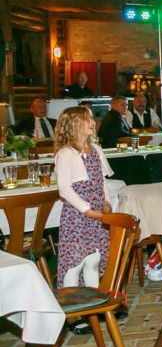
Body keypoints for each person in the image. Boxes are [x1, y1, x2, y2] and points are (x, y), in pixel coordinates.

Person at [53, 106, 114, 288]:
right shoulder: (66, 153)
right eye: (87, 119)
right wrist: (86, 210)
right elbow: (64, 189)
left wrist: (107, 201)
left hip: (97, 215)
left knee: (93, 261)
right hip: (77, 218)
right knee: (75, 264)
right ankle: (74, 308)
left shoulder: (95, 150)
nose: (93, 123)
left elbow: (102, 181)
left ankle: (92, 303)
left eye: (92, 118)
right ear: (74, 125)